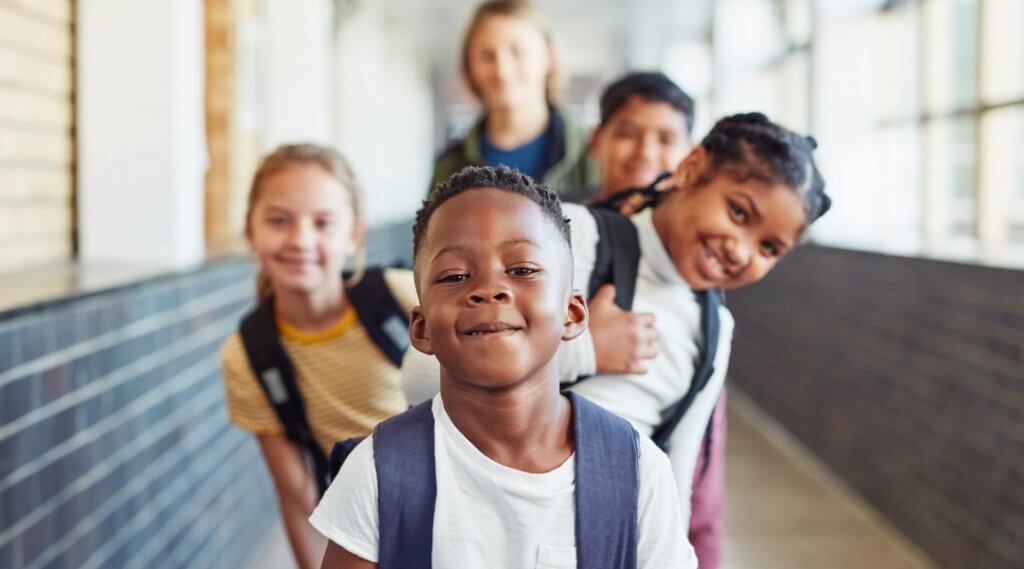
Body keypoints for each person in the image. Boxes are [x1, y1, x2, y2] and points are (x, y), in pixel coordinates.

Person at [401, 113, 832, 551]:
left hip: (601, 544)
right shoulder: (567, 237)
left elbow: (675, 483)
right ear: (691, 169)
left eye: (768, 248)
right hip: (473, 524)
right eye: (738, 212)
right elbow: (418, 379)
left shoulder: (715, 329)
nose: (741, 250)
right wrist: (587, 349)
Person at [311, 166, 696, 569]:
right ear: (421, 329)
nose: (489, 288)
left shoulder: (635, 472)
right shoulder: (380, 472)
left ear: (572, 313)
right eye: (455, 275)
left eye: (522, 270)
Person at [219, 144, 417, 569]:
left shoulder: (402, 298)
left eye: (323, 222)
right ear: (251, 229)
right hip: (364, 534)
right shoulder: (249, 355)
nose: (300, 240)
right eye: (278, 221)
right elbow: (298, 497)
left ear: (353, 236)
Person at [431, 0, 597, 196]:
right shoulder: (449, 165)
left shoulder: (594, 152)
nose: (502, 70)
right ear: (470, 65)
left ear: (548, 57)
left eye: (518, 52)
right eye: (487, 55)